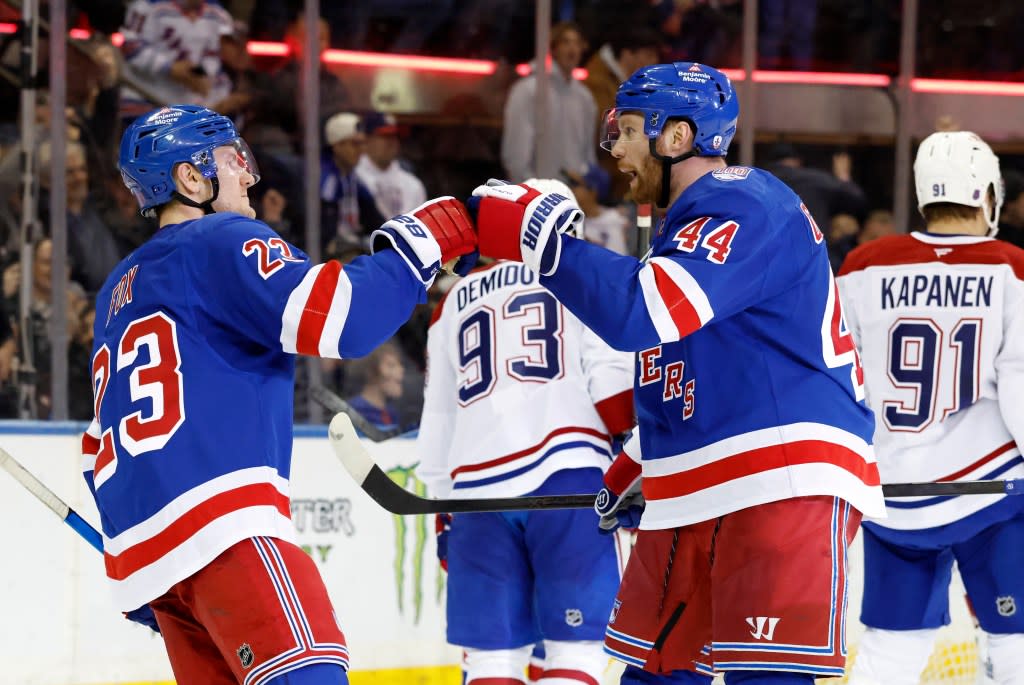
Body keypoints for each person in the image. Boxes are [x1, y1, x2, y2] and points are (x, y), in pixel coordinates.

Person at [466, 62, 886, 683]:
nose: (616, 151)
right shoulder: (685, 227)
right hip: (703, 479)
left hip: (782, 474)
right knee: (655, 673)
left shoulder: (746, 200)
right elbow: (706, 358)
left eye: (629, 130)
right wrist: (646, 456)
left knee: (764, 675)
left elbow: (644, 312)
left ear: (677, 137)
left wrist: (546, 247)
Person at [82, 104, 477, 684]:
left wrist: (144, 559)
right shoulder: (219, 239)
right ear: (191, 178)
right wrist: (424, 244)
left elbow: (99, 447)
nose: (247, 174)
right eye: (231, 160)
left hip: (157, 568)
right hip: (227, 529)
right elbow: (340, 317)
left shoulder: (116, 290)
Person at [418, 179, 635, 685]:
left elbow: (439, 419)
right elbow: (609, 382)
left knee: (492, 660)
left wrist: (442, 512)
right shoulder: (580, 277)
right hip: (570, 480)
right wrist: (634, 458)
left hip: (475, 491)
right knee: (575, 652)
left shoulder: (451, 303)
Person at [837, 131, 1024, 685]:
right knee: (1012, 644)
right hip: (990, 494)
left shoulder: (863, 266)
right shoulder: (1012, 269)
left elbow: (841, 376)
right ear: (986, 195)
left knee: (889, 653)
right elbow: (1019, 385)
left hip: (894, 493)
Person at [501, 22, 597, 182]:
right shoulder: (529, 90)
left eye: (577, 43)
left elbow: (586, 151)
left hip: (575, 193)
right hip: (537, 194)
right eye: (565, 42)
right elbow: (516, 152)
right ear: (553, 48)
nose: (572, 49)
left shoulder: (584, 97)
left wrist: (588, 182)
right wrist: (530, 192)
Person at [321, 112, 386, 250]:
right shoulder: (325, 179)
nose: (362, 151)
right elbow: (324, 235)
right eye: (355, 144)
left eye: (363, 144)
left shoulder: (353, 178)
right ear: (337, 146)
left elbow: (374, 219)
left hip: (351, 248)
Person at [355, 112, 428, 218]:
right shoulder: (353, 177)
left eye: (394, 136)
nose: (391, 142)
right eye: (384, 136)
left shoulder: (413, 185)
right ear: (367, 140)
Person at [344, 340, 405, 429]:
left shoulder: (392, 413)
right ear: (371, 372)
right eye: (391, 365)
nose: (401, 370)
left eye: (400, 365)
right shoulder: (353, 411)